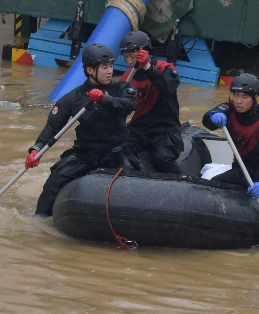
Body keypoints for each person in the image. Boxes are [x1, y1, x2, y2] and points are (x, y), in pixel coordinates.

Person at [27, 43, 138, 216]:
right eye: (104, 67)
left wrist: (105, 99)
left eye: (111, 66)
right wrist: (36, 150)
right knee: (53, 183)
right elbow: (53, 127)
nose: (110, 71)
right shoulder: (74, 97)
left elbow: (129, 105)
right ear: (90, 70)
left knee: (133, 184)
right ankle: (39, 220)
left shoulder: (122, 88)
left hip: (116, 153)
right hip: (85, 154)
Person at [202, 73, 259, 200]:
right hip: (241, 166)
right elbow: (207, 121)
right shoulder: (230, 108)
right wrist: (212, 116)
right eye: (236, 95)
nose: (238, 101)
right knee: (216, 183)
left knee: (215, 183)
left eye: (245, 96)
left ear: (255, 97)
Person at [119, 31, 183, 174]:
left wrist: (148, 68)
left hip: (165, 129)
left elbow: (167, 87)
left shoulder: (166, 68)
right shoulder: (127, 77)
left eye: (133, 56)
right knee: (117, 146)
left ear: (145, 52)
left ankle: (181, 181)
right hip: (139, 129)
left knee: (163, 159)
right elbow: (123, 106)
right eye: (126, 57)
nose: (130, 62)